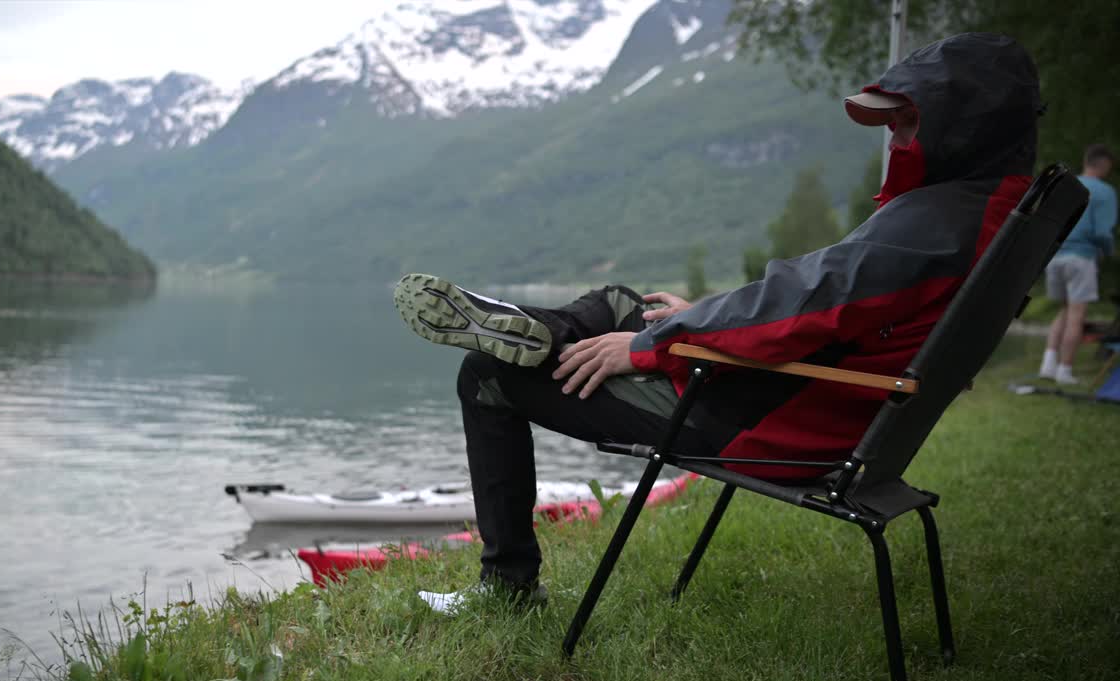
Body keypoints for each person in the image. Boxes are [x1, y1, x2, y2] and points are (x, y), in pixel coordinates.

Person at [393, 33, 1042, 614]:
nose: (895, 139)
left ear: (964, 126)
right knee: (630, 301)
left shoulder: (930, 227)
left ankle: (507, 587)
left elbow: (800, 304)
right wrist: (685, 320)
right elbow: (814, 306)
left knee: (487, 375)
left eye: (908, 123)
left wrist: (650, 348)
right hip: (824, 408)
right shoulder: (990, 214)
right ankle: (532, 327)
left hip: (769, 424)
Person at [1040, 145, 1116, 384]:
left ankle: (1048, 366)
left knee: (1064, 311)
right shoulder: (1104, 192)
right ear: (1104, 164)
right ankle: (1064, 371)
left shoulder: (1068, 186)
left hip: (1056, 256)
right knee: (1076, 316)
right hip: (1081, 258)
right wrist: (1108, 252)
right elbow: (1103, 233)